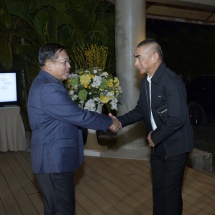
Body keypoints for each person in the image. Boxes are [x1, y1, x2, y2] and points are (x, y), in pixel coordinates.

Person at [27, 43, 120, 215]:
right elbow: (77, 115)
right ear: (49, 64)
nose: (69, 66)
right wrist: (108, 122)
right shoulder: (48, 88)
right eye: (65, 62)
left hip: (53, 160)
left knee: (56, 210)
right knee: (62, 211)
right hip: (53, 161)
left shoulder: (46, 82)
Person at [110, 39, 193, 215]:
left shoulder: (171, 81)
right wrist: (120, 121)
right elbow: (141, 110)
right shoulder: (145, 81)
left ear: (154, 57)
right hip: (157, 145)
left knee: (169, 194)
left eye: (139, 58)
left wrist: (155, 136)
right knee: (159, 193)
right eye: (135, 58)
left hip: (175, 146)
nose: (135, 63)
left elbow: (177, 118)